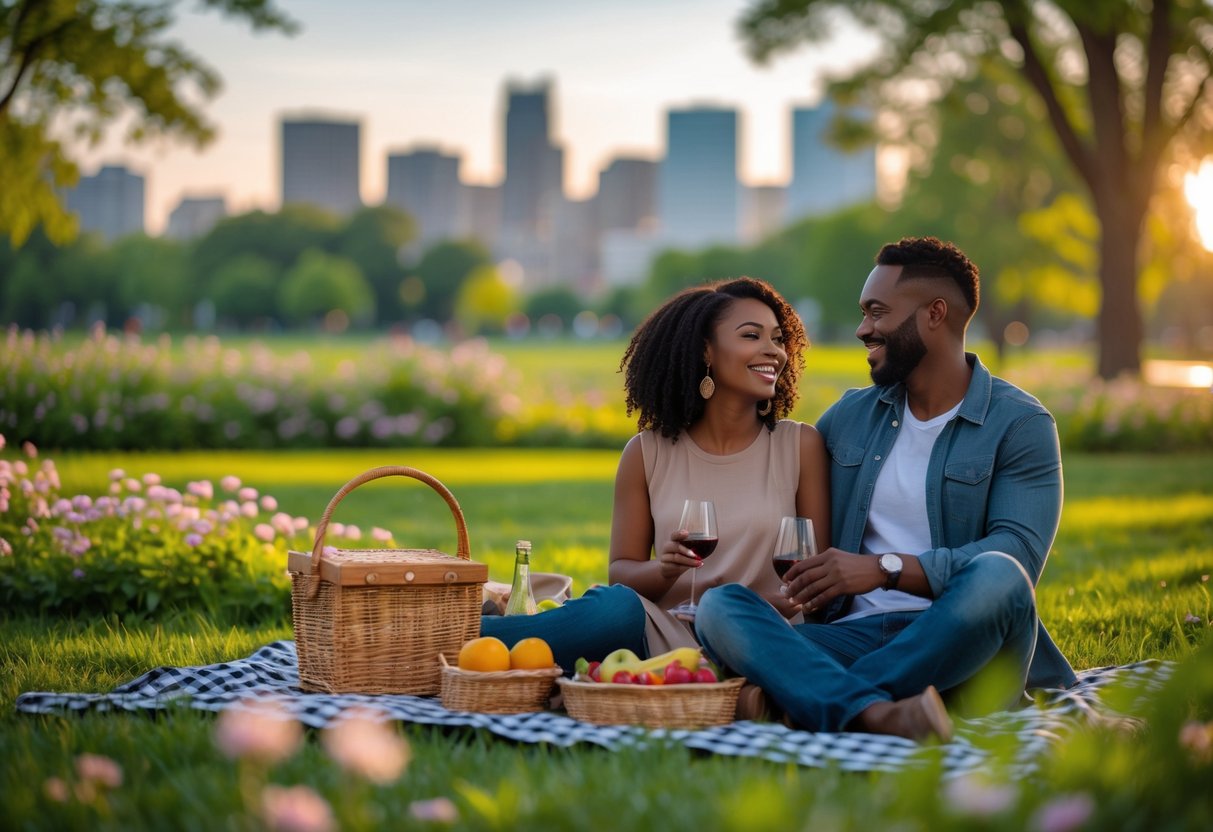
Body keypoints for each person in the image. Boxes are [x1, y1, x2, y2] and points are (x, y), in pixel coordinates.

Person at [694, 236, 1077, 743]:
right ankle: (881, 713)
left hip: (966, 643)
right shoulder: (848, 418)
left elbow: (1018, 557)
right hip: (851, 638)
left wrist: (883, 569)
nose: (862, 329)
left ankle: (817, 703)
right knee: (722, 608)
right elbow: (766, 476)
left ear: (934, 314)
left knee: (1000, 576)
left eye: (876, 312)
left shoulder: (1020, 424)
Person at [608, 277, 830, 655]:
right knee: (603, 608)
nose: (773, 351)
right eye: (751, 336)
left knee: (724, 612)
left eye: (778, 339)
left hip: (758, 634)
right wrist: (665, 569)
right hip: (664, 638)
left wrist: (779, 604)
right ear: (706, 351)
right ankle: (487, 639)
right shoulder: (646, 453)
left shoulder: (799, 446)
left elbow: (815, 580)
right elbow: (620, 576)